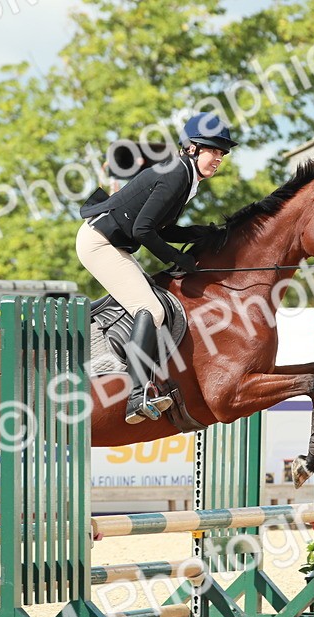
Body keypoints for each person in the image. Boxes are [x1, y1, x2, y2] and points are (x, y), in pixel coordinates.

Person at [77, 112, 237, 424]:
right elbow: (142, 231)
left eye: (221, 153)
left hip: (114, 243)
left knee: (154, 302)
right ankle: (137, 395)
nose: (218, 159)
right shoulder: (177, 173)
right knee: (150, 308)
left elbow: (159, 229)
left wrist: (199, 233)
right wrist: (181, 260)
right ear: (191, 148)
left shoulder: (187, 177)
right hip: (98, 243)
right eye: (213, 150)